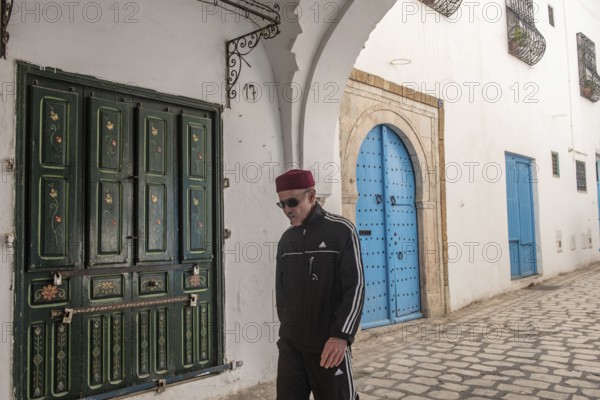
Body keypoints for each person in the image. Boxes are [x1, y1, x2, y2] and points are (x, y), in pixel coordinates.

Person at [274, 169, 365, 400]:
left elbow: (355, 287)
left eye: (292, 202)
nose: (287, 209)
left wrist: (341, 335)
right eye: (282, 204)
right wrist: (288, 330)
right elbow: (282, 292)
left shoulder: (342, 230)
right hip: (291, 347)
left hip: (329, 346)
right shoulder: (287, 240)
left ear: (312, 196)